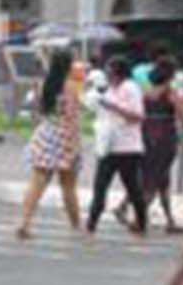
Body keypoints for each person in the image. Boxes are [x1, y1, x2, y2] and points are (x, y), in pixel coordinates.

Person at [16, 48, 86, 240]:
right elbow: (71, 117)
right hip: (64, 136)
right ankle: (76, 225)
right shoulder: (70, 86)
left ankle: (25, 222)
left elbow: (38, 111)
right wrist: (75, 146)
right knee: (68, 185)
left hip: (46, 133)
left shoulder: (44, 84)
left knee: (37, 183)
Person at [85, 55, 149, 236]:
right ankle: (91, 223)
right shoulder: (109, 90)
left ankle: (142, 222)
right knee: (100, 186)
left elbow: (137, 116)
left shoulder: (130, 88)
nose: (108, 75)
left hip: (128, 147)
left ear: (119, 73)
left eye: (110, 71)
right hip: (108, 146)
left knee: (132, 187)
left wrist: (112, 106)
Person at [137, 55, 183, 233]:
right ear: (171, 74)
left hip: (146, 135)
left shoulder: (147, 92)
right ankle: (140, 217)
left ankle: (170, 220)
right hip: (164, 137)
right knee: (157, 177)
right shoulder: (170, 93)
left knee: (159, 178)